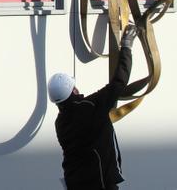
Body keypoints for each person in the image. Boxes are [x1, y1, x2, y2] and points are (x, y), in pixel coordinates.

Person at [48, 24, 138, 190]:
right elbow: (119, 82)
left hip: (76, 183)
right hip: (100, 182)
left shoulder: (60, 122)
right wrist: (127, 46)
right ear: (73, 90)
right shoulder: (90, 106)